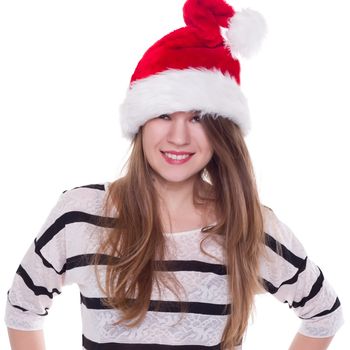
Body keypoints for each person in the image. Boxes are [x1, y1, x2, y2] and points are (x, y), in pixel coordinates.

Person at [5, 0, 344, 349]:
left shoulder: (246, 225)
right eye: (164, 114)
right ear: (140, 123)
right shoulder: (81, 214)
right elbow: (22, 308)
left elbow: (323, 314)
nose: (179, 137)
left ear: (221, 131)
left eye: (197, 117)